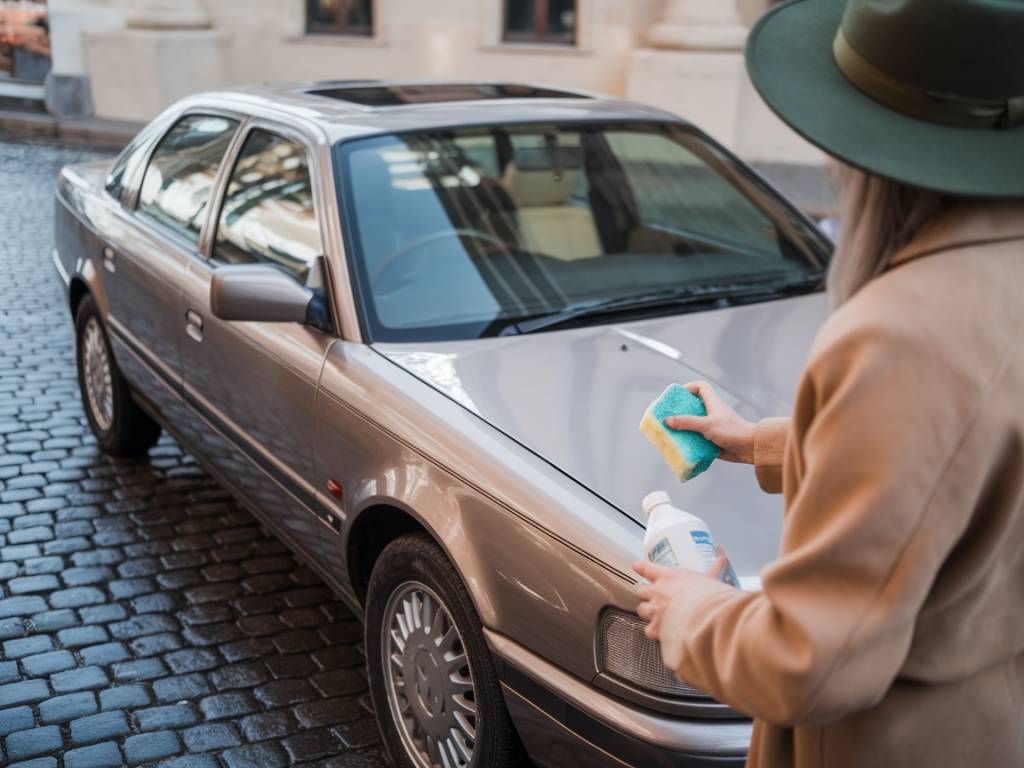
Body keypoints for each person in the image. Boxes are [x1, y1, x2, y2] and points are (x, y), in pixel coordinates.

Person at [634, 0, 1024, 766]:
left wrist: (695, 610)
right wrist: (761, 443)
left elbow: (812, 662)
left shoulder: (901, 333)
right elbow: (965, 450)